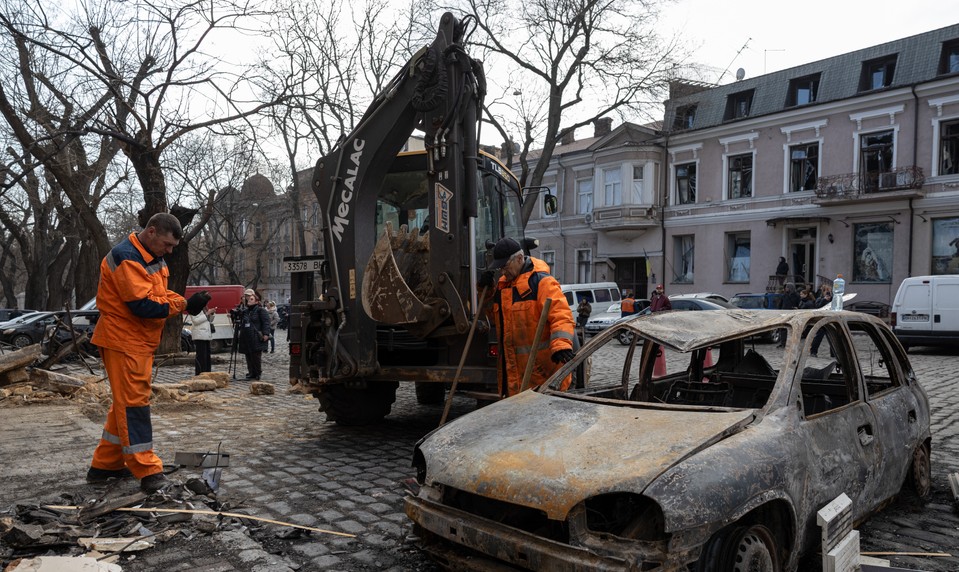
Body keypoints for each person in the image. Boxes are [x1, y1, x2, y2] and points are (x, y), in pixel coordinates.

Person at [86, 212, 210, 494]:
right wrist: (183, 307)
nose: (169, 251)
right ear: (151, 232)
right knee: (134, 406)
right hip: (123, 340)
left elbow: (160, 295)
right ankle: (147, 470)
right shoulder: (127, 257)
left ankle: (104, 465)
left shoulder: (150, 256)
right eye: (167, 245)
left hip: (135, 341)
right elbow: (142, 305)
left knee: (124, 404)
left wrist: (185, 302)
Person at [479, 237, 575, 397]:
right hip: (514, 377)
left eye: (505, 266)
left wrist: (562, 345)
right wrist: (485, 292)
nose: (502, 272)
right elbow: (492, 316)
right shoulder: (503, 287)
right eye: (500, 268)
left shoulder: (542, 283)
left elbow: (561, 315)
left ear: (519, 259)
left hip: (542, 374)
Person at [236, 289, 270, 380]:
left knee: (256, 356)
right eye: (248, 299)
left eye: (251, 299)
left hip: (256, 336)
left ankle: (258, 372)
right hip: (247, 336)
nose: (249, 300)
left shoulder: (260, 310)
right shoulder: (246, 311)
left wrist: (266, 334)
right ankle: (251, 372)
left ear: (256, 301)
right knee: (248, 355)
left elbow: (266, 322)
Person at [190, 304, 215, 375]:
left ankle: (207, 372)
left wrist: (211, 313)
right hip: (199, 335)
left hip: (206, 334)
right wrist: (207, 313)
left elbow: (210, 320)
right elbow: (196, 321)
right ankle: (200, 372)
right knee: (201, 356)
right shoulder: (194, 309)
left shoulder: (204, 308)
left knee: (207, 356)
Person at [777, 283, 801, 347]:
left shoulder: (796, 295)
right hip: (784, 314)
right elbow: (780, 304)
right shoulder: (784, 295)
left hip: (793, 314)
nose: (786, 289)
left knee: (792, 329)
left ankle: (791, 343)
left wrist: (797, 308)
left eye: (787, 287)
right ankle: (783, 343)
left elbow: (799, 304)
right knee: (783, 329)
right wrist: (779, 312)